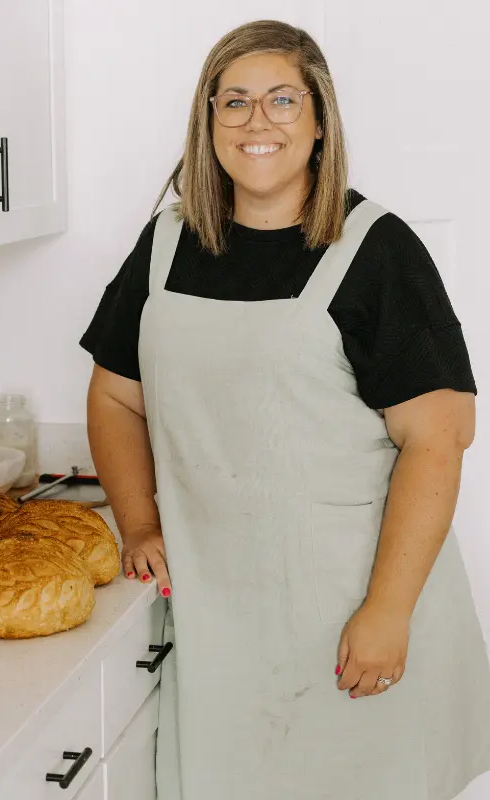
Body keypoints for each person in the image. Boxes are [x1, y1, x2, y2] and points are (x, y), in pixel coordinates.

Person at [81, 19, 490, 800]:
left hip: (353, 609)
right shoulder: (167, 244)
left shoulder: (375, 249)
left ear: (319, 120)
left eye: (281, 100)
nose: (257, 121)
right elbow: (113, 395)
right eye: (233, 102)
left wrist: (387, 610)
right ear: (208, 125)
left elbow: (440, 439)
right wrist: (137, 525)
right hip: (219, 614)